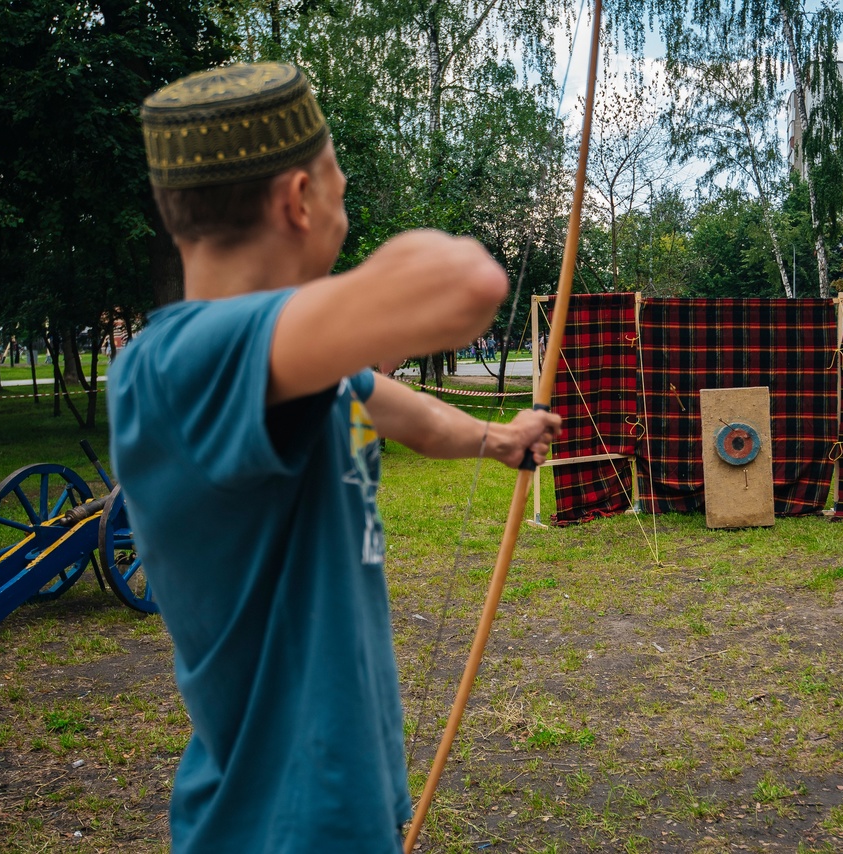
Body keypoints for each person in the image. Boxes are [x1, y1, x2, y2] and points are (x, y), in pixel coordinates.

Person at [109, 63, 560, 854]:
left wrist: (499, 439)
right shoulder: (184, 366)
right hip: (280, 828)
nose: (343, 212)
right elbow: (464, 283)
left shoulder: (289, 372)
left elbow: (405, 412)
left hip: (330, 806)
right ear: (299, 200)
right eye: (341, 190)